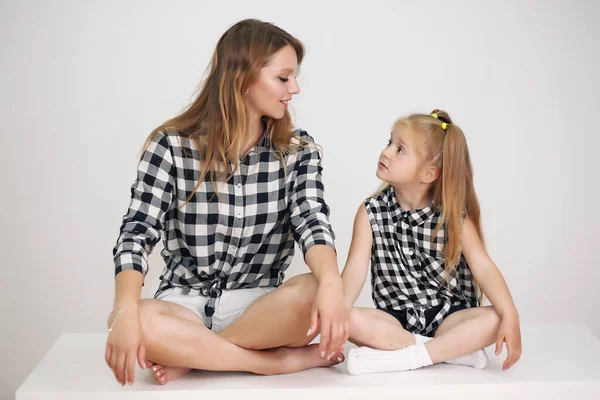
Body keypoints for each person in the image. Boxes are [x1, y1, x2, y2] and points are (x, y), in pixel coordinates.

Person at [105, 19, 348, 386]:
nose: (294, 89)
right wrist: (124, 310)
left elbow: (312, 219)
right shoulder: (170, 144)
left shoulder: (298, 150)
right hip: (183, 304)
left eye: (294, 77)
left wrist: (331, 282)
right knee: (133, 319)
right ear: (243, 78)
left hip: (260, 311)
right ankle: (273, 363)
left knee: (316, 288)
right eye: (283, 78)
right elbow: (137, 232)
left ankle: (198, 355)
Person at [341, 110, 522, 375]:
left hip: (449, 317)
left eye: (400, 149)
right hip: (396, 321)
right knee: (343, 317)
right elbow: (355, 270)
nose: (387, 152)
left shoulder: (453, 218)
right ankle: (448, 352)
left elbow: (483, 267)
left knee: (496, 318)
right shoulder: (370, 212)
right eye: (389, 142)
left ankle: (409, 357)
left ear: (428, 174)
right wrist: (337, 315)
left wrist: (510, 314)